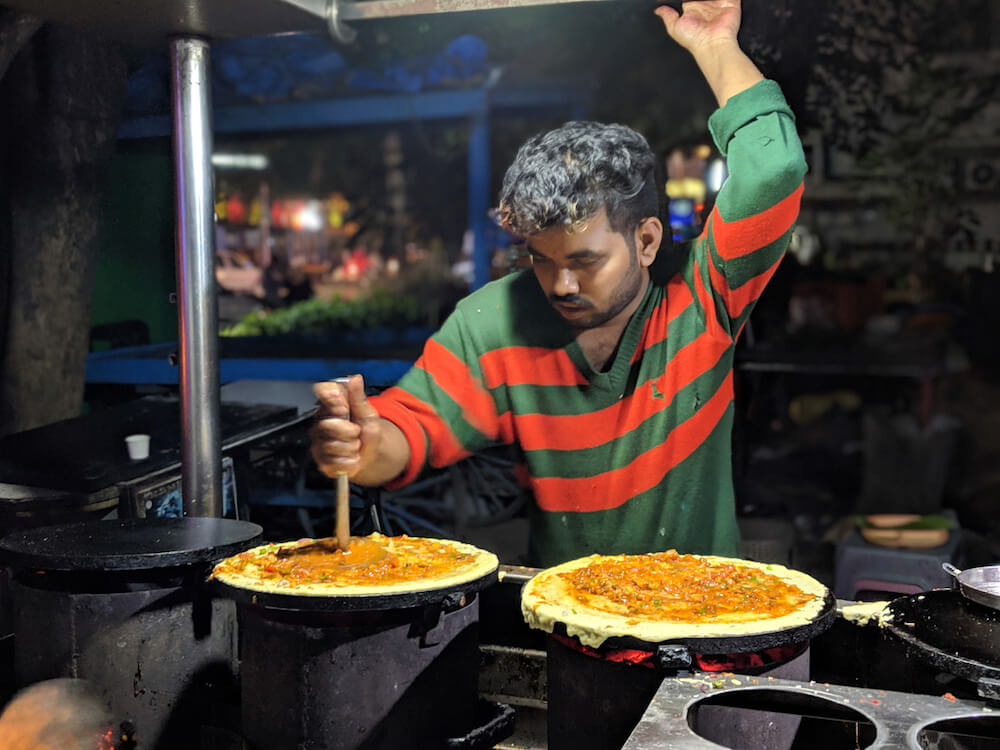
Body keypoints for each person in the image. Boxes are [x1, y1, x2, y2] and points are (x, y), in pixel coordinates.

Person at [310, 0, 807, 568]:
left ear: (647, 241)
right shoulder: (495, 320)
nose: (560, 283)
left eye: (585, 260)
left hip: (702, 620)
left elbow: (774, 169)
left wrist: (718, 48)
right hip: (562, 618)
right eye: (539, 258)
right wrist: (364, 445)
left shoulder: (704, 290)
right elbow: (412, 429)